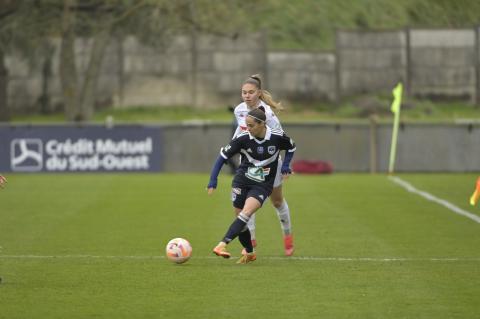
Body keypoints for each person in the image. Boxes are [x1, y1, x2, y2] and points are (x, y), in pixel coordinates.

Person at [207, 108, 296, 264]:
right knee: (241, 221)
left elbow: (291, 147)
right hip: (241, 181)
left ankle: (223, 244)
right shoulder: (243, 138)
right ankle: (250, 252)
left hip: (262, 185)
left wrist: (286, 165)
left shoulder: (276, 136)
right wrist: (213, 180)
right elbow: (222, 157)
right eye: (246, 125)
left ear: (262, 124)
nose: (247, 128)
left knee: (246, 213)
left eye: (251, 125)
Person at [232, 74, 295, 256]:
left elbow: (283, 140)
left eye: (251, 92)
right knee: (245, 202)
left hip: (270, 164)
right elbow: (243, 130)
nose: (247, 96)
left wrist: (286, 166)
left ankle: (288, 235)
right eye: (244, 92)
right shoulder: (239, 110)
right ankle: (250, 239)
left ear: (259, 93)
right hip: (249, 163)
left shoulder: (268, 114)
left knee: (277, 201)